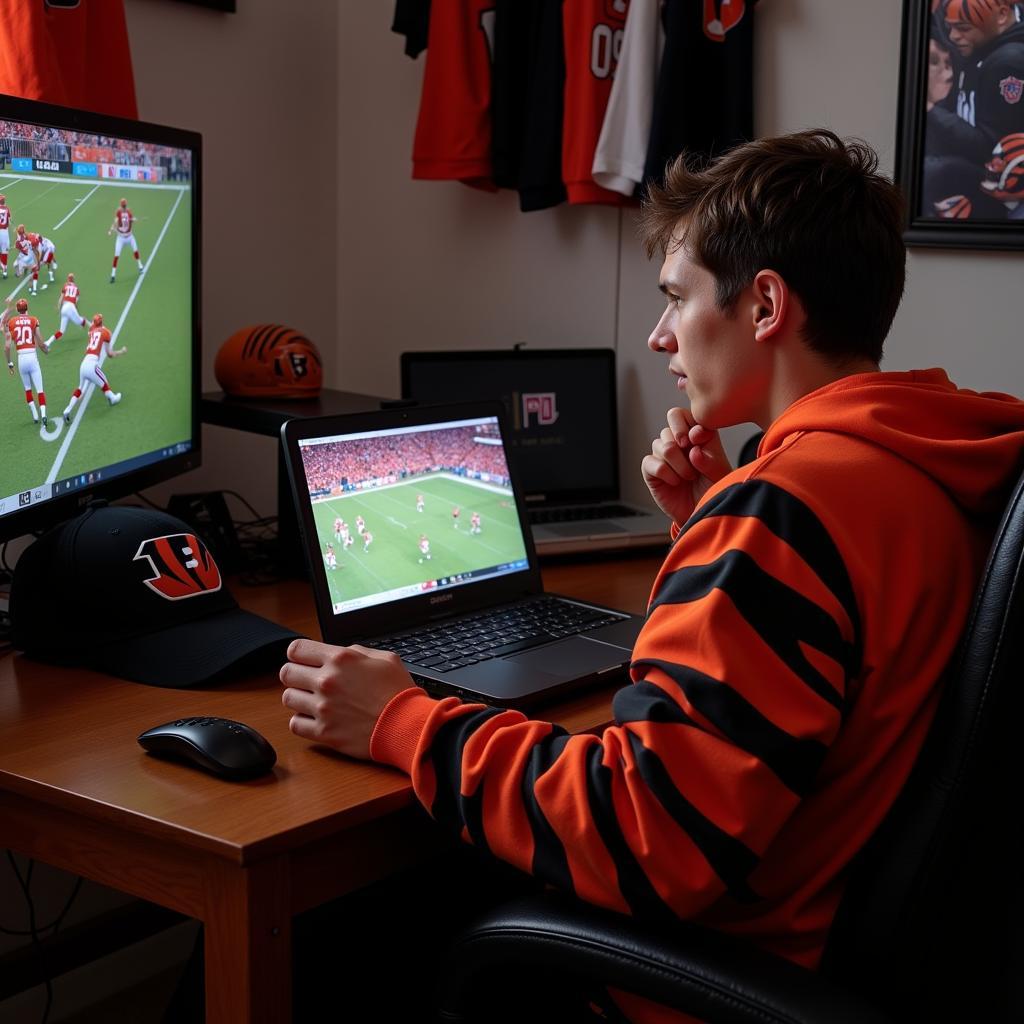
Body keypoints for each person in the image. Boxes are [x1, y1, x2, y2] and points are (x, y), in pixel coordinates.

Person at [278, 131, 1024, 1024]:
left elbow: (643, 837)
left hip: (707, 975)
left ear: (766, 306)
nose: (659, 334)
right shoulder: (928, 463)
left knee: (329, 932)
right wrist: (710, 523)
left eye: (677, 297)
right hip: (853, 946)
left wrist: (400, 721)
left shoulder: (785, 513)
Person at [927, 0, 1024, 166]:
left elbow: (990, 149)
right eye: (950, 26)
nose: (953, 36)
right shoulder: (982, 40)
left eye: (963, 28)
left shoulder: (1008, 64)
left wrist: (932, 111)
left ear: (1002, 16)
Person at [61, 313, 125, 422]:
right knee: (104, 383)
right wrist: (121, 352)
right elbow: (109, 354)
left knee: (80, 389)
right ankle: (113, 398)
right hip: (92, 365)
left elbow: (92, 329)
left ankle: (67, 410)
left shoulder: (91, 332)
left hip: (83, 363)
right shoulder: (105, 332)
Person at [2, 297, 49, 425]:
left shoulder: (12, 322)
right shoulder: (33, 320)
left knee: (28, 388)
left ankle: (35, 415)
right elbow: (40, 341)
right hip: (32, 356)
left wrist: (9, 363)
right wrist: (45, 349)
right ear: (27, 308)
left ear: (18, 309)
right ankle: (43, 414)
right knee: (40, 389)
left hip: (21, 358)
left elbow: (6, 347)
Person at [45, 272, 88, 350]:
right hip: (71, 307)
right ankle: (92, 328)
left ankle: (48, 342)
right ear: (73, 280)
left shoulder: (65, 285)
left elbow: (61, 298)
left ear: (68, 279)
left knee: (61, 331)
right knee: (81, 321)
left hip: (64, 308)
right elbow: (76, 302)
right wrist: (76, 311)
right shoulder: (76, 289)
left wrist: (59, 308)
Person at [107, 197, 144, 282]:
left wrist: (133, 220)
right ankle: (113, 275)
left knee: (135, 250)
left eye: (124, 206)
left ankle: (140, 266)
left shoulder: (128, 212)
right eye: (123, 206)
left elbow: (131, 220)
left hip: (130, 236)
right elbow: (115, 222)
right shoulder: (119, 212)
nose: (124, 207)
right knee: (116, 255)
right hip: (121, 238)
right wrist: (111, 229)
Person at [11, 225, 38, 292]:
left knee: (16, 265)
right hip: (30, 253)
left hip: (24, 255)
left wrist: (15, 247)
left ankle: (21, 272)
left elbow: (19, 247)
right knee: (33, 269)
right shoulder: (26, 235)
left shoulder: (18, 241)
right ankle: (31, 286)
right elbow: (22, 235)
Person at [0, 194, 11, 279]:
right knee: (4, 251)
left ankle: (2, 267)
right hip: (4, 232)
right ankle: (5, 270)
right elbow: (9, 221)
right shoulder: (7, 209)